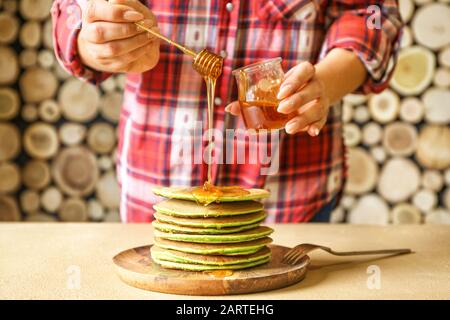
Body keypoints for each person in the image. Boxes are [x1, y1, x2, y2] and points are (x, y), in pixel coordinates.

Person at [52, 0, 402, 223]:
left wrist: (324, 83)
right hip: (157, 200)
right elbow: (72, 11)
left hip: (291, 202)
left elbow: (371, 13)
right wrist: (90, 36)